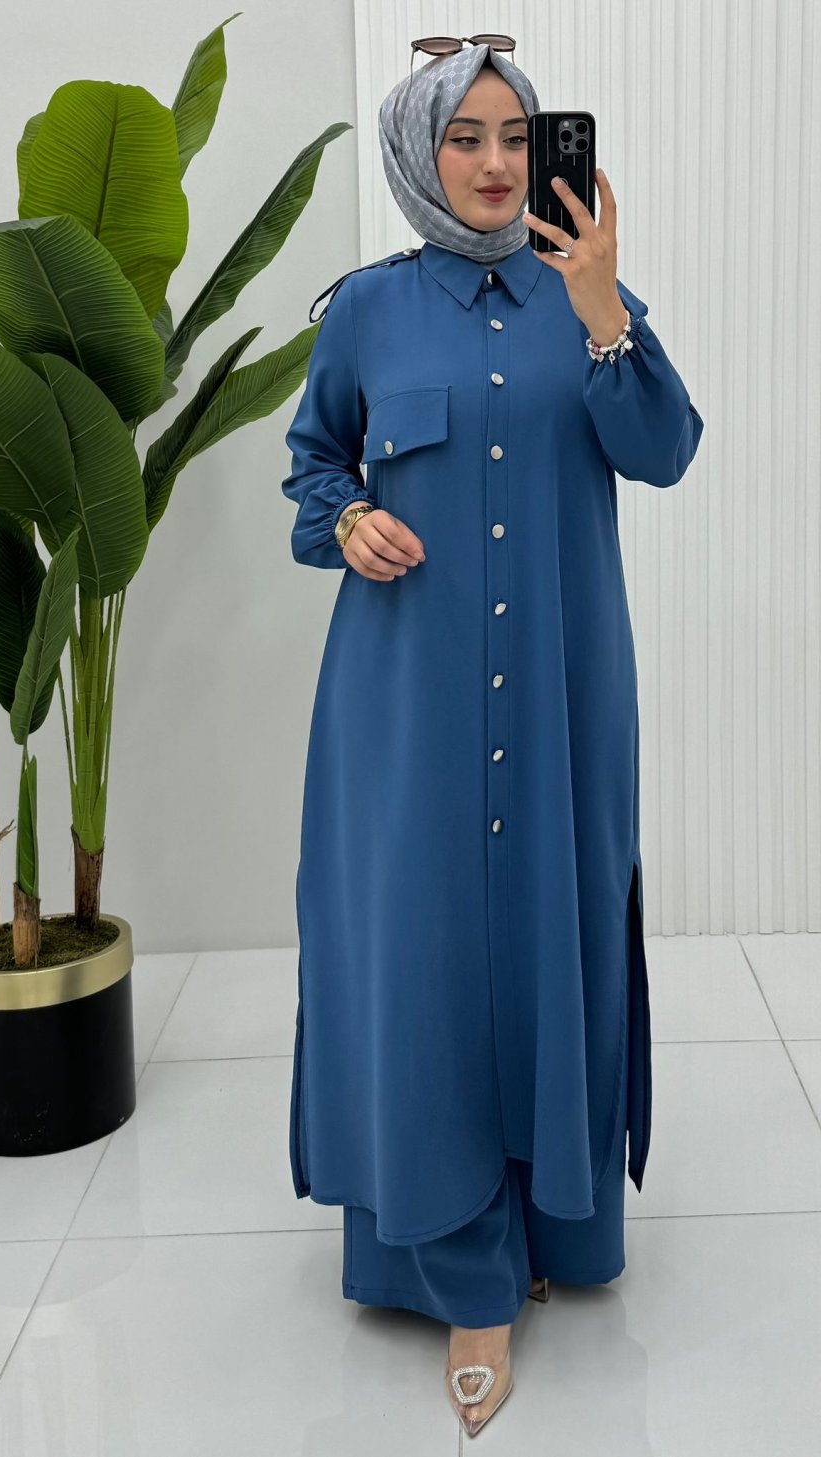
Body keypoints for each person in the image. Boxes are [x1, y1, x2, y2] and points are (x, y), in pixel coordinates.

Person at [280, 37, 704, 1436]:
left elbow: (664, 450)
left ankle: (555, 1227)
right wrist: (350, 519)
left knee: (551, 932)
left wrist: (604, 312)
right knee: (425, 957)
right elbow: (313, 466)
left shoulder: (588, 293)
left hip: (566, 692)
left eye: (516, 136)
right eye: (464, 136)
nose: (496, 162)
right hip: (406, 703)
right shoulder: (367, 310)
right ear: (420, 151)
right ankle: (464, 1271)